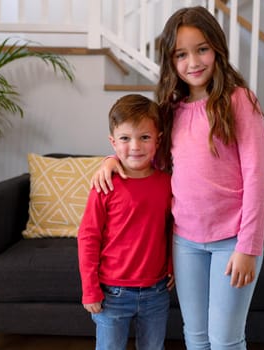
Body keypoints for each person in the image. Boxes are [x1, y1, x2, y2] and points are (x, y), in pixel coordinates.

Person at [91, 6, 264, 350]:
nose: (193, 62)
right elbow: (146, 156)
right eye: (181, 54)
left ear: (217, 48)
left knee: (226, 340)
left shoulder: (239, 101)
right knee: (196, 336)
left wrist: (248, 247)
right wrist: (113, 160)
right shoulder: (170, 110)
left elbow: (257, 179)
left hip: (233, 241)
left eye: (202, 49)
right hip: (185, 242)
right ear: (171, 61)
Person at [77, 94, 174, 350]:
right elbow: (88, 237)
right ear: (113, 142)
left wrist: (172, 265)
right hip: (112, 294)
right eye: (125, 138)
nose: (135, 146)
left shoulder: (167, 184)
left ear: (158, 139)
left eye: (144, 137)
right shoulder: (104, 185)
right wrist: (90, 289)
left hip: (156, 291)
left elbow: (172, 229)